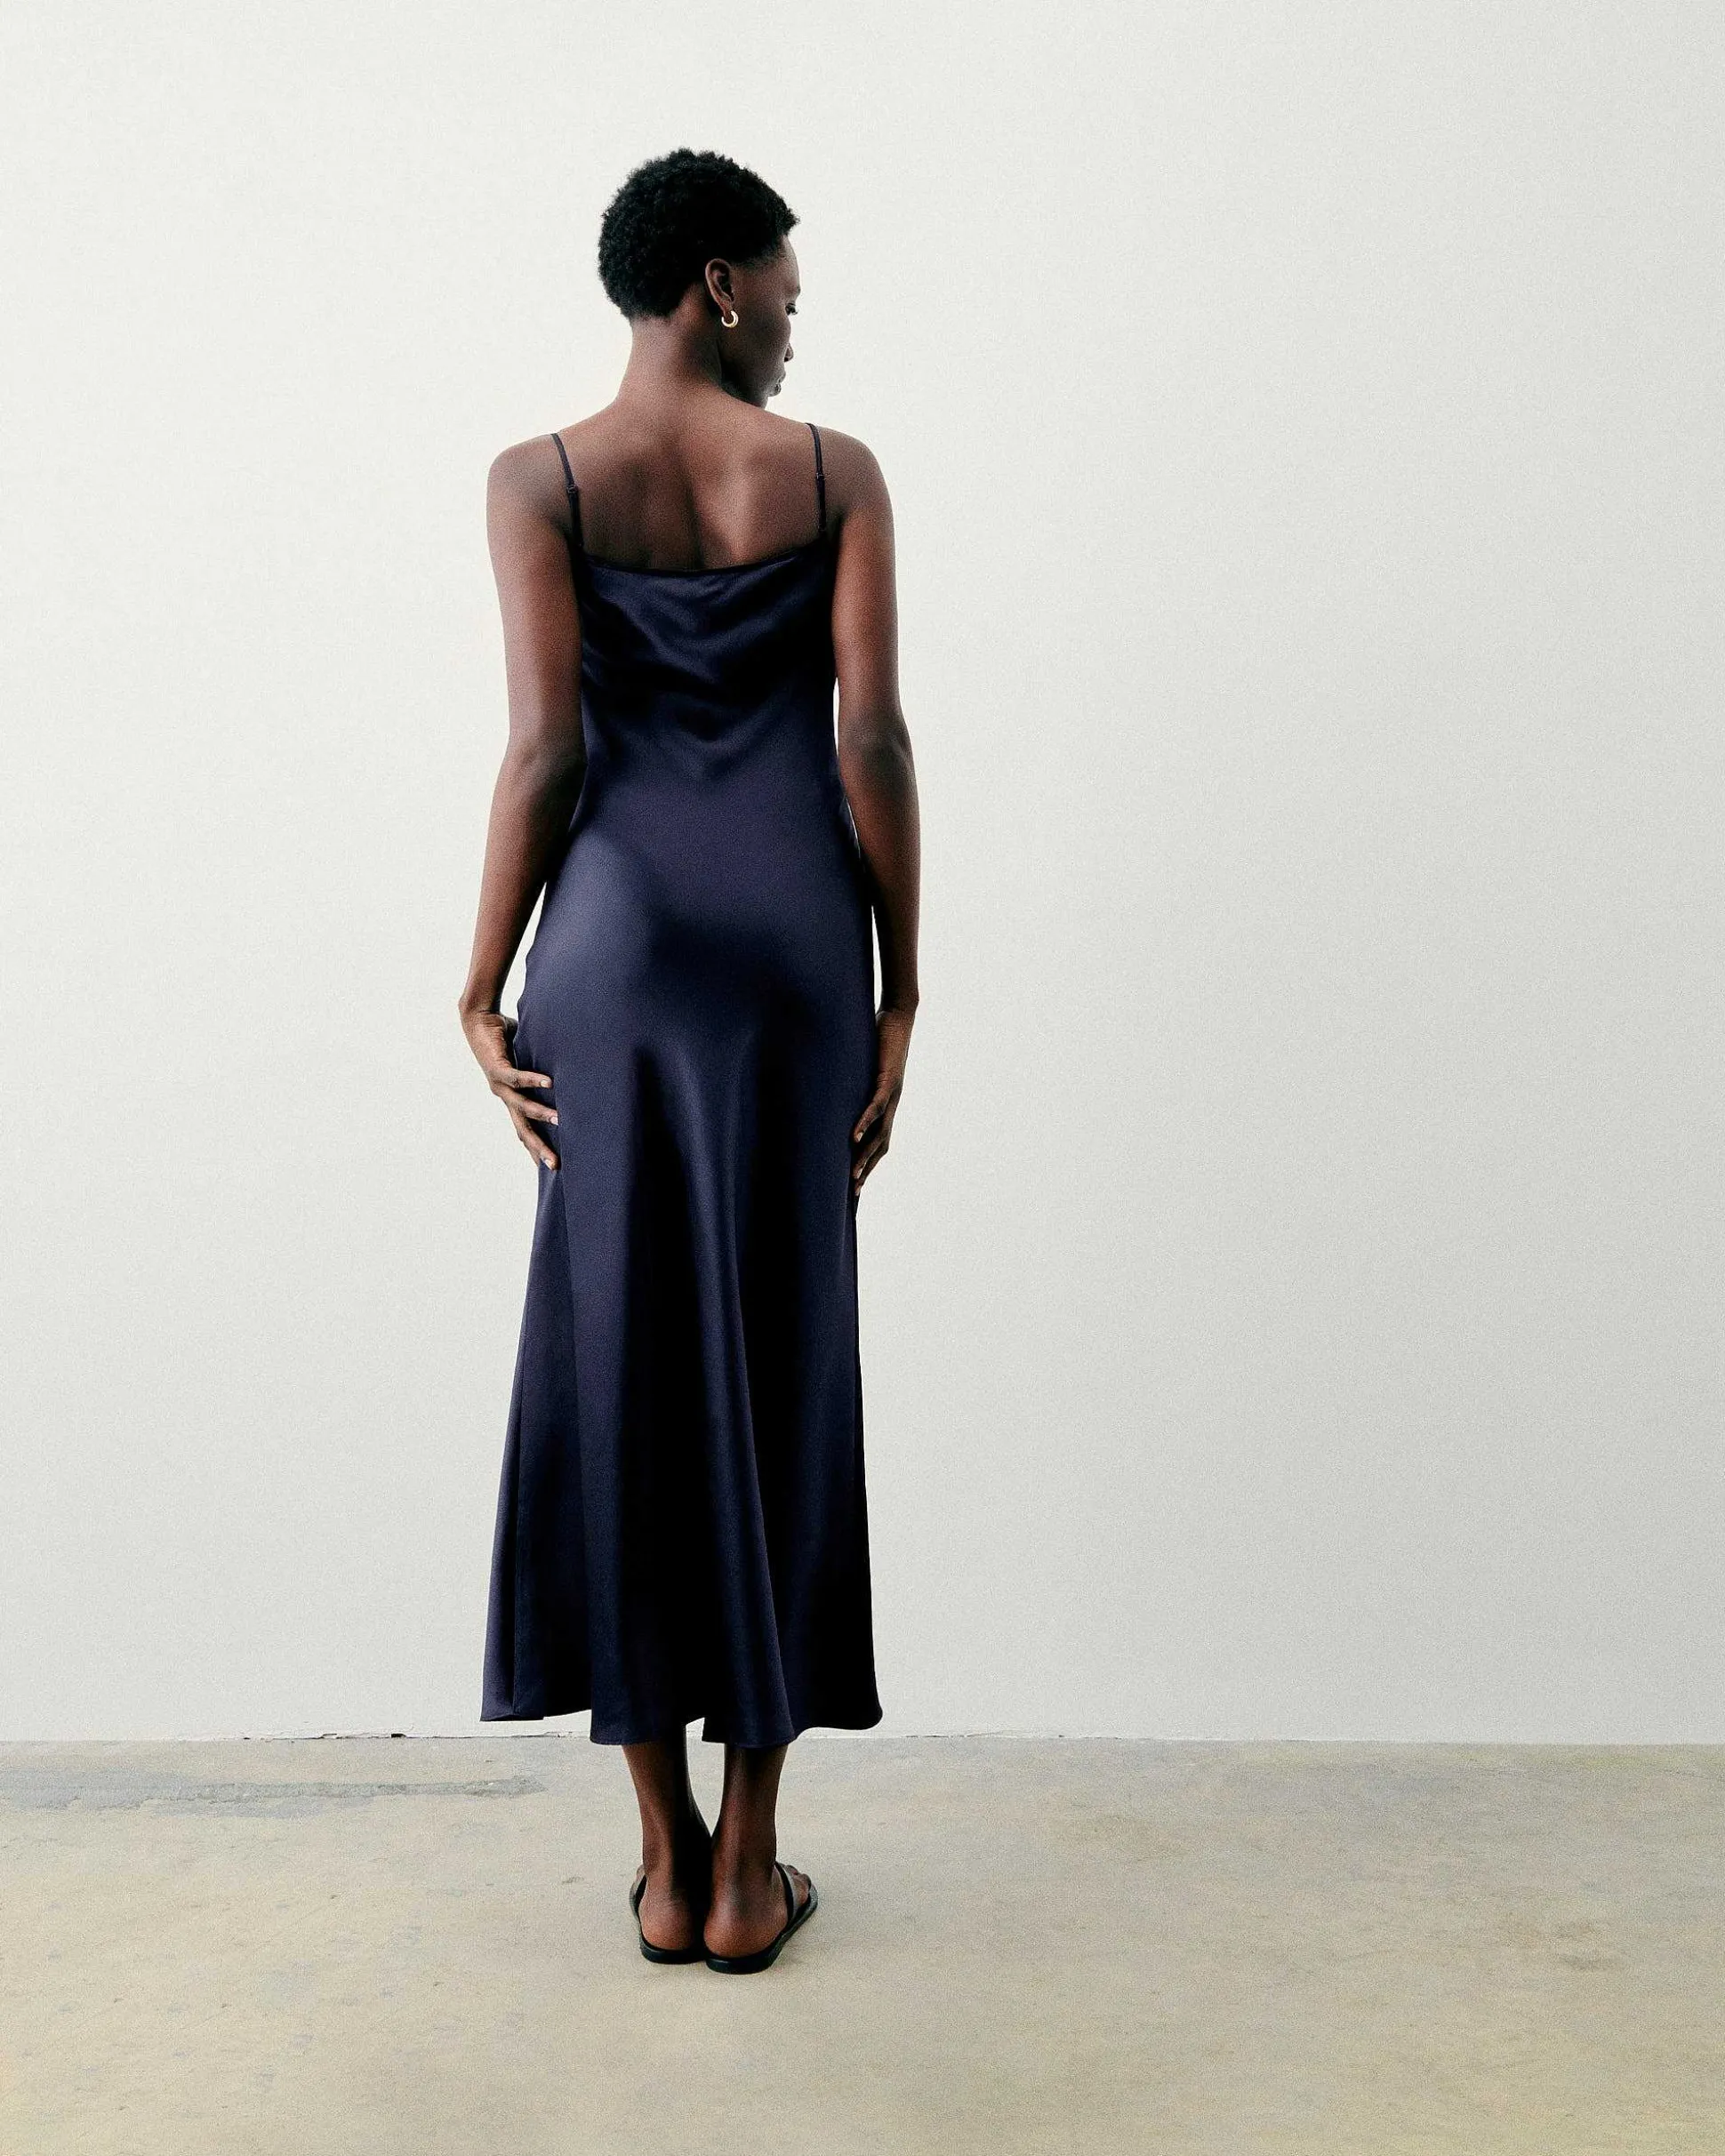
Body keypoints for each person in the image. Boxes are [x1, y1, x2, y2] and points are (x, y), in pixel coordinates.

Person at [457, 148, 921, 1974]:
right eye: (786, 284)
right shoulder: (835, 474)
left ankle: (659, 1866)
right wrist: (902, 988)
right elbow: (870, 739)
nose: (797, 316)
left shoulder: (542, 480)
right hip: (793, 960)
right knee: (781, 1361)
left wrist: (479, 981)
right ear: (717, 280)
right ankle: (751, 1869)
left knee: (621, 1363)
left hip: (619, 961)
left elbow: (545, 753)